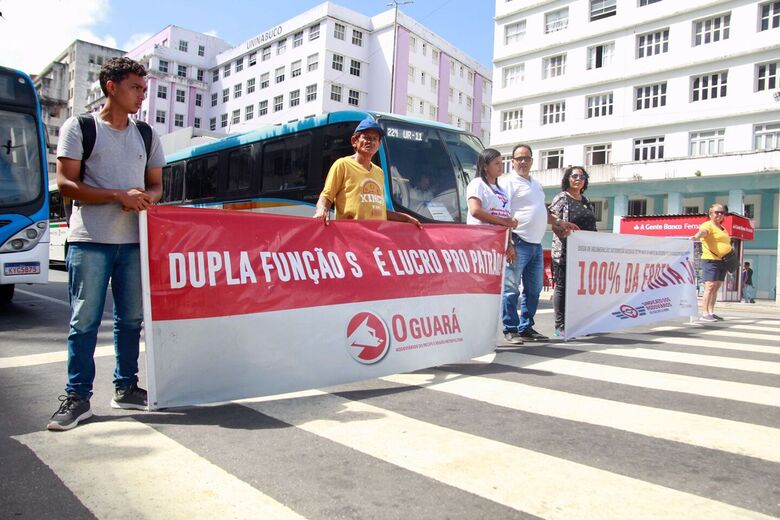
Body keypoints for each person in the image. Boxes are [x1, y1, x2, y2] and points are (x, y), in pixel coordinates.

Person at [47, 57, 165, 431]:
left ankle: (126, 387)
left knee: (131, 319)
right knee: (84, 321)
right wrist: (119, 195)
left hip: (133, 242)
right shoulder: (79, 127)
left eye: (144, 89)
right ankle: (77, 396)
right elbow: (66, 183)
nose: (141, 97)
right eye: (135, 88)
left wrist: (147, 198)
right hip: (90, 241)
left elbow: (157, 185)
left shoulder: (146, 134)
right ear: (111, 86)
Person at [499, 144, 578, 344]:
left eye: (526, 158)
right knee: (511, 289)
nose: (523, 162)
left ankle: (526, 327)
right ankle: (511, 328)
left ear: (532, 161)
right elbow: (503, 213)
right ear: (513, 161)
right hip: (517, 241)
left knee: (534, 289)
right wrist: (508, 243)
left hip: (535, 244)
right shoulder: (507, 182)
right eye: (519, 158)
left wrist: (559, 222)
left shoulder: (536, 184)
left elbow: (542, 212)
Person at [313, 117, 420, 227]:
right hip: (351, 235)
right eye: (367, 137)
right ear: (354, 141)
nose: (371, 142)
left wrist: (406, 218)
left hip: (374, 237)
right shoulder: (342, 165)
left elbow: (380, 211)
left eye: (375, 139)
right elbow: (326, 196)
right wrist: (321, 210)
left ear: (379, 144)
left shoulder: (379, 172)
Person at [548, 167, 598, 337]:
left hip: (585, 253)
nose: (579, 179)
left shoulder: (586, 201)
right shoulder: (561, 198)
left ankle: (578, 323)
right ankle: (560, 325)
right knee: (562, 287)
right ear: (568, 179)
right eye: (575, 176)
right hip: (565, 250)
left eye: (582, 176)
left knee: (580, 288)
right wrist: (562, 231)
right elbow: (552, 221)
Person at [690, 203, 732, 322]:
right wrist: (696, 236)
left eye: (722, 212)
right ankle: (704, 313)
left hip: (723, 261)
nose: (719, 214)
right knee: (709, 286)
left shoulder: (723, 228)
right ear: (710, 214)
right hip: (710, 260)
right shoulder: (707, 225)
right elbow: (703, 232)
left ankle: (711, 312)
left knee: (716, 287)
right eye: (716, 212)